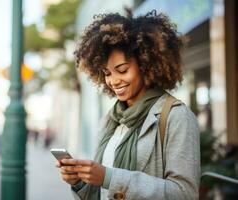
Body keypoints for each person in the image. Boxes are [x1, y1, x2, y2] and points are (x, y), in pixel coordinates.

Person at [56, 10, 200, 200]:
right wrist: (80, 182)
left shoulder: (176, 116)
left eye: (122, 70)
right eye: (107, 73)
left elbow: (185, 194)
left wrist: (109, 177)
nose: (113, 81)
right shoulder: (111, 119)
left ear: (145, 65)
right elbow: (102, 191)